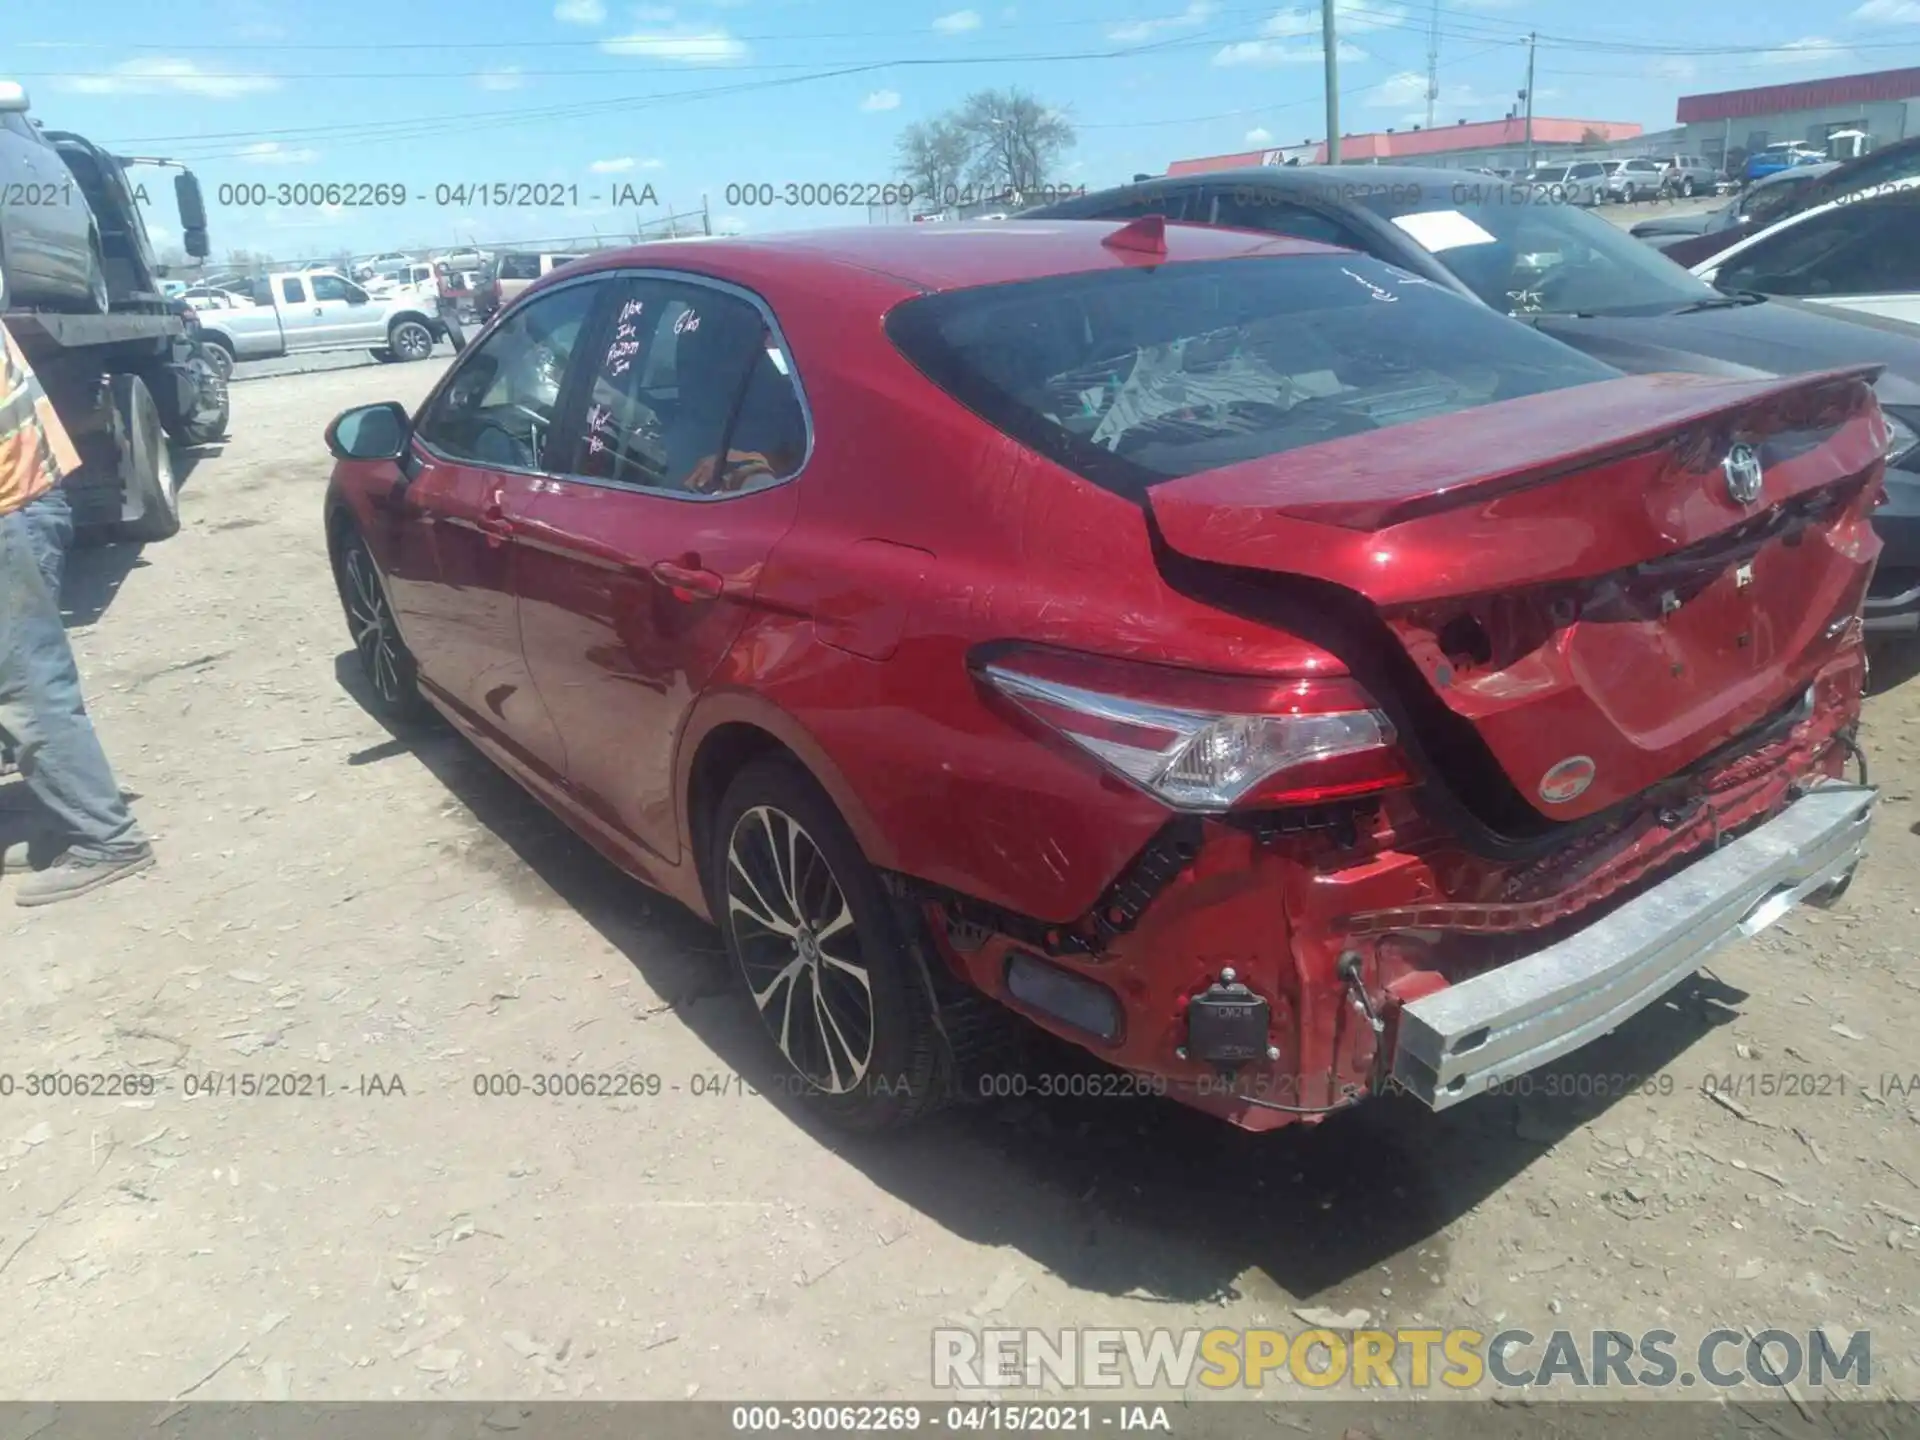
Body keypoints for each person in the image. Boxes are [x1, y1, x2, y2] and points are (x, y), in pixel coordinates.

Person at [0, 320, 156, 905]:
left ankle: (106, 840)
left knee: (28, 689)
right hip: (26, 501)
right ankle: (62, 821)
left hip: (9, 512)